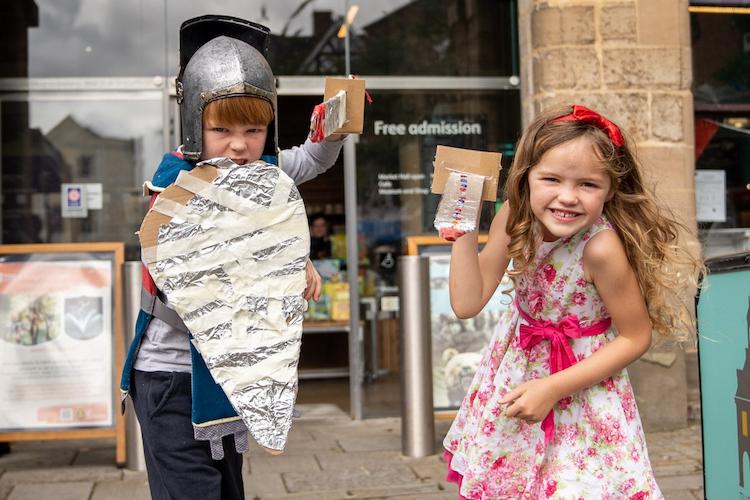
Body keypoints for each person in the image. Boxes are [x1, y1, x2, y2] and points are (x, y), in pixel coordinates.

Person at [119, 15, 345, 500]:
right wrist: (287, 259)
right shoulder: (177, 183)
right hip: (170, 375)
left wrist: (335, 126)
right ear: (195, 126)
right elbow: (190, 260)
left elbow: (313, 159)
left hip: (225, 374)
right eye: (221, 129)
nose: (239, 145)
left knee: (226, 491)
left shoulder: (261, 169)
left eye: (254, 129)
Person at [442, 104, 702, 498]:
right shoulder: (513, 217)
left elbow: (635, 337)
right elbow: (466, 302)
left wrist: (552, 388)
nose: (568, 197)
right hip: (517, 376)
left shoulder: (601, 248)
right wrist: (461, 225)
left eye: (587, 185)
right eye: (551, 179)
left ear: (611, 189)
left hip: (583, 391)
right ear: (526, 176)